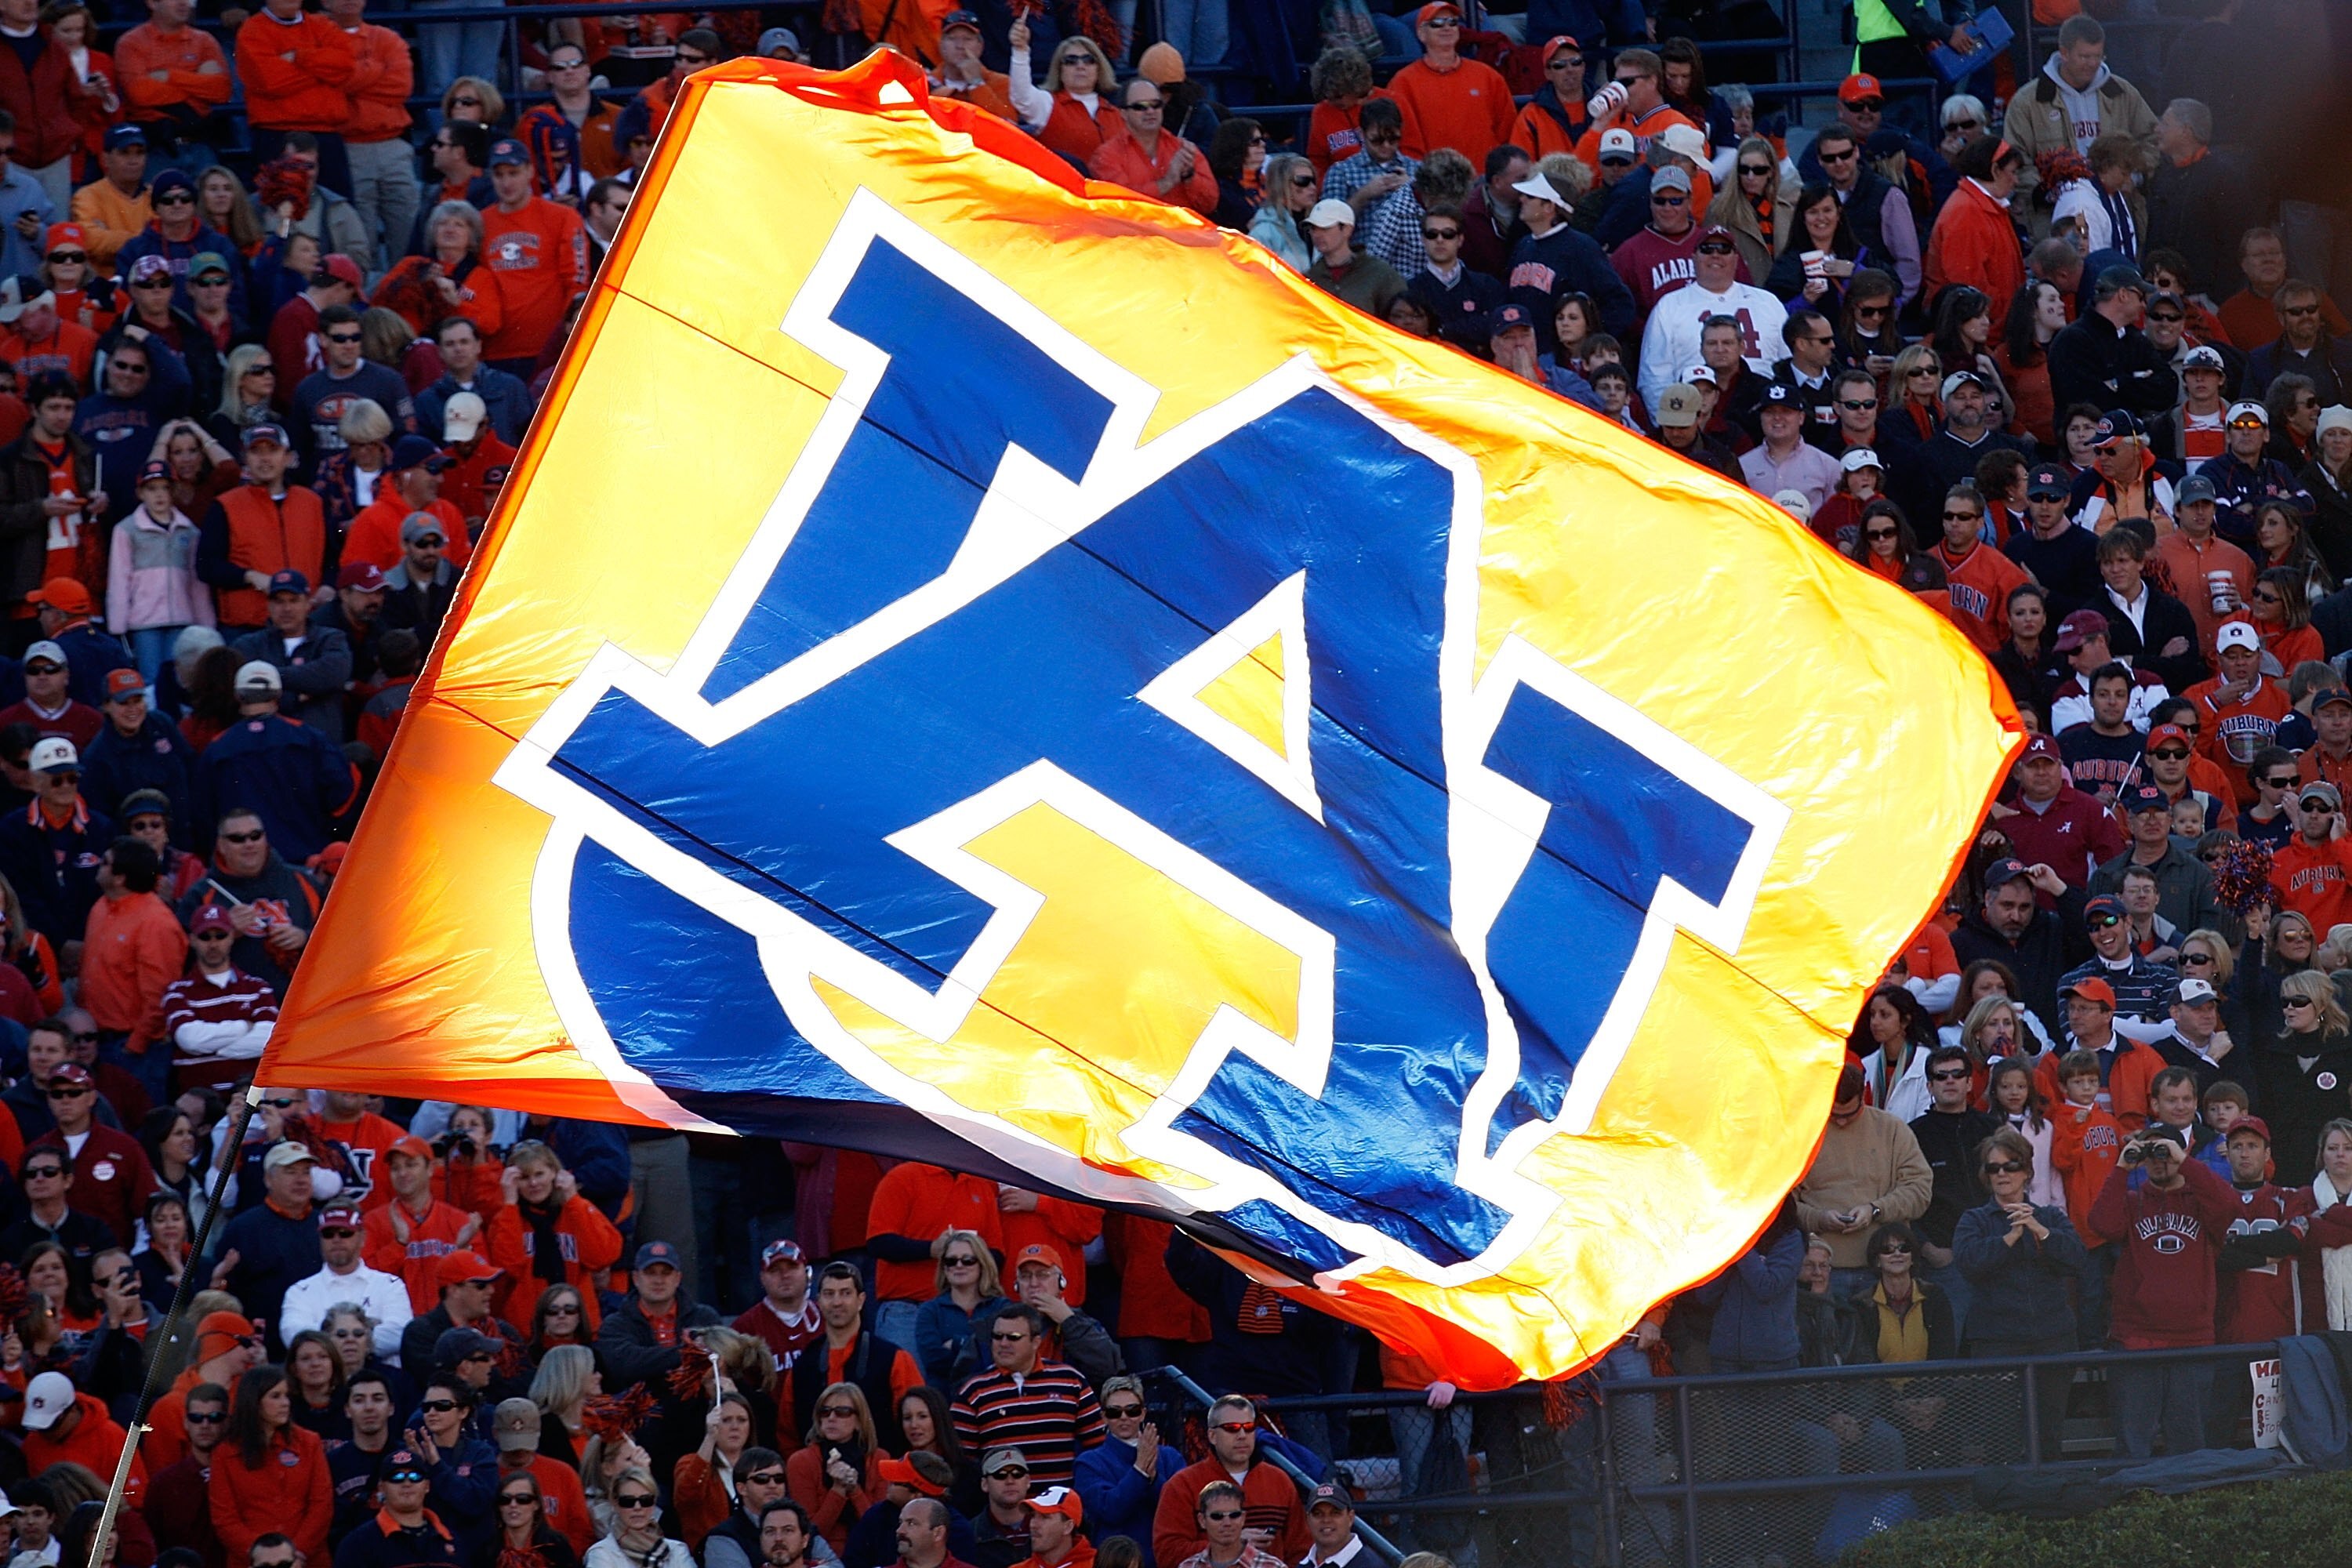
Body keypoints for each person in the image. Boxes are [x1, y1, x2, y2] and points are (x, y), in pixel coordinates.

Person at [2089, 1123, 2234, 1457]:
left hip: (2192, 1340)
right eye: (2150, 1152)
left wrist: (2184, 1161)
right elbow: (2102, 1225)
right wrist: (2122, 1167)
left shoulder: (2202, 1201)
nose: (2159, 1159)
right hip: (2136, 1340)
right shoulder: (2130, 1201)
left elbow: (2228, 1207)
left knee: (2190, 1446)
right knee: (2132, 1445)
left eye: (2164, 1150)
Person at [1953, 1124, 2083, 1451]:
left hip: (2052, 1340)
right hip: (1998, 1342)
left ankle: (2051, 1500)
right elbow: (1969, 1263)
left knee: (2049, 1435)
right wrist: (2009, 1238)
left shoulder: (2050, 1217)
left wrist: (2039, 1231)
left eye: (2010, 1166)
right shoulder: (1975, 1220)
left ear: (2026, 1171)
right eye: (1993, 1168)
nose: (2002, 1174)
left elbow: (2076, 1259)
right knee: (2001, 1439)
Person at [190, 659, 358, 863]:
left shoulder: (217, 748)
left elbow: (202, 818)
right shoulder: (310, 738)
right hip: (307, 861)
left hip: (243, 870)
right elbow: (343, 794)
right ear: (278, 694)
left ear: (238, 696)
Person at [950, 1303, 1102, 1490]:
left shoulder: (1071, 1381)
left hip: (1059, 1510)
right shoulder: (973, 1392)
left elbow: (1098, 1449)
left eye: (1013, 1337)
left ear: (1036, 1342)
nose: (1003, 1343)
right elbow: (963, 1463)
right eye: (997, 1336)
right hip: (1004, 1512)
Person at [1636, 227, 1785, 411]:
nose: (1716, 255)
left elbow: (1787, 364)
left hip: (1760, 411)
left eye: (1724, 249)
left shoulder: (1768, 302)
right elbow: (1654, 377)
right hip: (1694, 413)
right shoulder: (1670, 306)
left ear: (1736, 258)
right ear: (1694, 257)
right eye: (1707, 249)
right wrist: (1669, 424)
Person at [1151, 1396, 1304, 1568]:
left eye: (1249, 1428)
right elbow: (1167, 1553)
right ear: (1212, 1436)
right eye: (1231, 1428)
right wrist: (1233, 1544)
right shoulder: (1182, 1485)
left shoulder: (1280, 1481)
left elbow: (1301, 1551)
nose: (1241, 1436)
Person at [478, 139, 586, 380]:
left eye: (513, 173)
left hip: (548, 349)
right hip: (496, 350)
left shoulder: (562, 217)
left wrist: (564, 338)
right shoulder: (480, 223)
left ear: (530, 171)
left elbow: (577, 281)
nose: (506, 182)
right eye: (499, 175)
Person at [1501, 169, 1632, 356]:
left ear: (1549, 207)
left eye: (1530, 196)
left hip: (1561, 363)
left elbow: (1620, 303)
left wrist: (1589, 346)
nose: (1521, 199)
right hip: (1524, 355)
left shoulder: (1581, 248)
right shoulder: (1524, 245)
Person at [209, 1363, 332, 1563]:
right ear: (254, 1401)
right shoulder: (225, 1453)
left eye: (286, 1396)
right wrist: (264, 1558)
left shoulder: (309, 1443)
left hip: (307, 1559)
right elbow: (224, 1519)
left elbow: (321, 1505)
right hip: (250, 1560)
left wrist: (295, 1555)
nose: (285, 1403)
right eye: (275, 1396)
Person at [1383, 3, 1512, 169]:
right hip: (1434, 184)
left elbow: (1507, 133)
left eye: (1452, 22)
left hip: (1482, 181)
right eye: (1437, 23)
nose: (1447, 27)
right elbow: (1403, 142)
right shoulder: (1402, 82)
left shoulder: (1488, 76)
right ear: (1421, 34)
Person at [2255, 969, 2352, 1188]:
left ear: (2321, 1004)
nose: (2290, 1008)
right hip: (2284, 1162)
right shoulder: (2273, 1052)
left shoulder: (2345, 1051)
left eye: (2298, 1001)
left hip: (2335, 1164)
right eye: (2285, 1001)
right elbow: (2266, 1107)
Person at [2048, 266, 2178, 424]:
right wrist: (2138, 382)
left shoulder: (2135, 339)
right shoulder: (2072, 341)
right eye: (2140, 297)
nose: (2144, 305)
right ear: (2123, 295)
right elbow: (2090, 403)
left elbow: (2169, 388)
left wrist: (2119, 383)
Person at [1072, 1377, 1176, 1567]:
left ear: (1143, 1414)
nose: (1124, 1417)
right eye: (1114, 1412)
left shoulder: (1170, 1457)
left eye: (1132, 1410)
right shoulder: (1088, 1463)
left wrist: (1153, 1479)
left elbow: (1178, 1509)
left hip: (1163, 1560)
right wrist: (1140, 1471)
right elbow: (1111, 1510)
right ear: (1103, 1417)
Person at [1087, 79, 1215, 216]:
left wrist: (1189, 176)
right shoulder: (1107, 155)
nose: (1150, 111)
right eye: (1140, 106)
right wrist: (1168, 182)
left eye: (1156, 105)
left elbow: (1210, 204)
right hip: (1134, 235)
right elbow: (1121, 206)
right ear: (1123, 113)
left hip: (1187, 234)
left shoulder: (1184, 149)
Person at [1922, 137, 2024, 309]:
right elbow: (1969, 289)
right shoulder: (1966, 213)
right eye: (2013, 172)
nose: (2016, 181)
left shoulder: (1986, 206)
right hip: (1983, 330)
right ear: (1995, 170)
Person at [335, 1446, 459, 1568]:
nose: (407, 1483)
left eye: (415, 1477)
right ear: (381, 1488)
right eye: (397, 1477)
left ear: (427, 1486)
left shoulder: (454, 1541)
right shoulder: (358, 1544)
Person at [1737, 383, 1838, 511]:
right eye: (1770, 412)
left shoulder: (1827, 466)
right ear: (1761, 418)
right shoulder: (1742, 465)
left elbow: (1833, 519)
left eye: (1786, 411)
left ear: (1801, 418)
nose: (1777, 418)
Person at [585, 1465, 691, 1568]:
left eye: (646, 1500)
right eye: (628, 1501)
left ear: (654, 1503)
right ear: (615, 1504)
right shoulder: (601, 1554)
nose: (637, 1507)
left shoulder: (677, 1551)